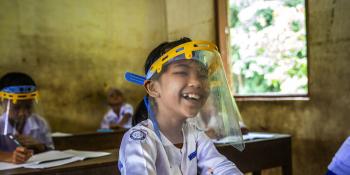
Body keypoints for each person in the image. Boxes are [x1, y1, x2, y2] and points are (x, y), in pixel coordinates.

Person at [119, 37, 244, 174]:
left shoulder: (194, 135)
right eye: (182, 72)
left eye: (202, 74)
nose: (196, 82)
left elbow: (223, 168)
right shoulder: (140, 140)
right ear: (153, 88)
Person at [0, 72, 54, 160]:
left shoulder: (40, 123)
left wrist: (40, 147)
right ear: (2, 103)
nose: (23, 113)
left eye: (28, 107)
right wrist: (9, 157)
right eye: (16, 107)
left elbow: (52, 151)